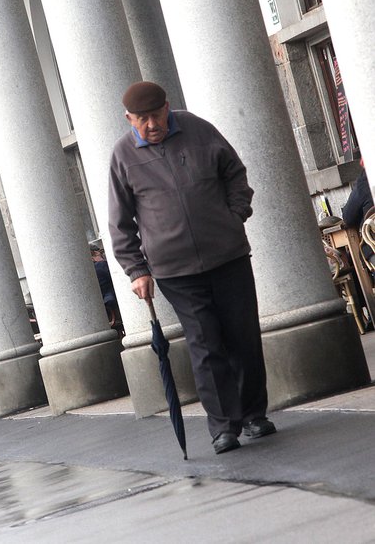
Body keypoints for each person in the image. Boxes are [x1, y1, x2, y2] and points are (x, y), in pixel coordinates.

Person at [108, 81, 276, 455]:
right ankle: (223, 427)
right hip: (174, 269)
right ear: (129, 119)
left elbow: (235, 173)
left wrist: (236, 215)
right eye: (142, 119)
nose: (151, 124)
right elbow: (120, 222)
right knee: (204, 343)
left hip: (227, 254)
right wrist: (136, 269)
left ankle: (253, 414)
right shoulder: (122, 156)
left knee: (243, 336)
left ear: (168, 108)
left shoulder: (199, 129)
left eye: (156, 115)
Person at [91, 246, 124, 336]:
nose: (103, 256)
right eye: (100, 253)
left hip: (103, 308)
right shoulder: (101, 265)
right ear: (93, 254)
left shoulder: (89, 270)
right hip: (114, 304)